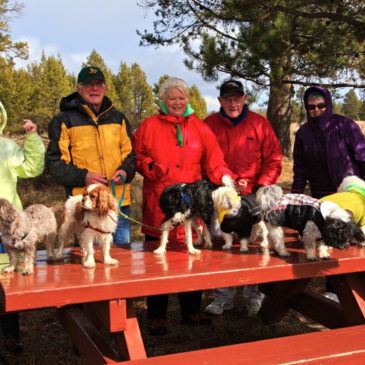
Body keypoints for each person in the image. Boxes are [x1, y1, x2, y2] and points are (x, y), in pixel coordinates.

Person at [133, 77, 240, 335]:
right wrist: (150, 166)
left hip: (191, 200)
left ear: (188, 100)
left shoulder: (200, 128)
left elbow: (214, 161)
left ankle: (191, 311)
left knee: (192, 256)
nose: (177, 102)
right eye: (172, 98)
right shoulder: (148, 125)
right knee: (156, 259)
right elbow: (135, 156)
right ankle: (156, 316)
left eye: (181, 98)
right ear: (163, 101)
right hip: (160, 200)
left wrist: (229, 180)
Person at [203, 79, 283, 316]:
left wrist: (262, 186)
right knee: (222, 246)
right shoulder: (209, 125)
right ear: (220, 101)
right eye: (227, 98)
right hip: (222, 196)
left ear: (245, 99)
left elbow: (274, 159)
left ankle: (253, 296)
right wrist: (225, 181)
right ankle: (223, 297)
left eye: (237, 98)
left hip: (253, 197)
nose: (233, 103)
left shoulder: (260, 124)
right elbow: (206, 160)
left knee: (255, 247)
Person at [46, 66, 135, 245]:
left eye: (98, 84)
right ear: (78, 88)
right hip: (85, 204)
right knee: (89, 262)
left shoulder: (119, 118)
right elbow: (54, 164)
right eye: (88, 84)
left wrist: (125, 172)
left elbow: (131, 156)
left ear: (105, 87)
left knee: (122, 258)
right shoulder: (63, 120)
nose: (94, 88)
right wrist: (83, 177)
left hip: (118, 203)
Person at [292, 86, 365, 300]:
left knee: (357, 239)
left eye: (321, 105)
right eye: (311, 106)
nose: (316, 109)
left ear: (328, 104)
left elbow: (362, 157)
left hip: (351, 192)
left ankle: (359, 289)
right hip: (323, 197)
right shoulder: (304, 133)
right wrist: (296, 198)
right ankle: (334, 290)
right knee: (331, 241)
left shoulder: (345, 125)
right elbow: (299, 170)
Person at [0, 100, 45, 353]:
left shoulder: (6, 147)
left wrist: (32, 139)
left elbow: (32, 167)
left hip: (7, 226)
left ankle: (10, 334)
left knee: (6, 280)